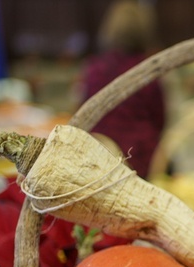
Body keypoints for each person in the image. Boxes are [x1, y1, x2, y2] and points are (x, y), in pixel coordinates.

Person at [78, 0, 166, 178]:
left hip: (101, 156)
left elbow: (84, 112)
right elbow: (160, 119)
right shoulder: (148, 71)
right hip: (139, 159)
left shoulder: (95, 68)